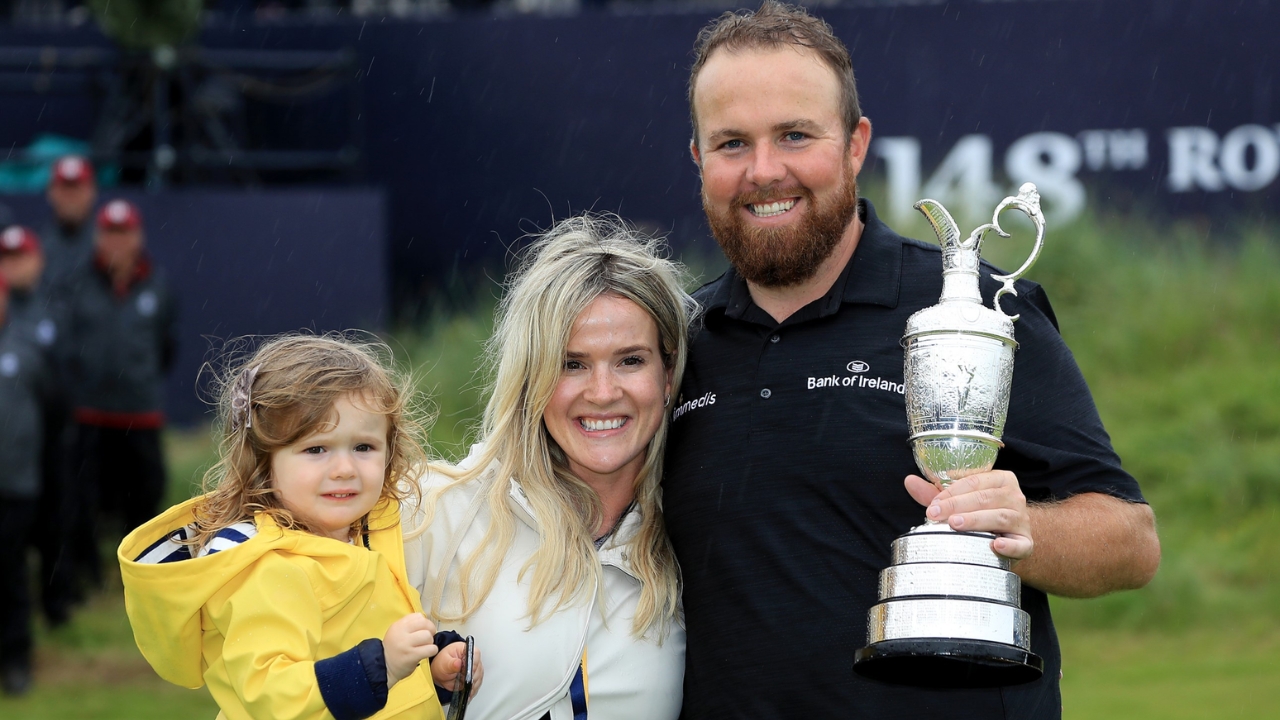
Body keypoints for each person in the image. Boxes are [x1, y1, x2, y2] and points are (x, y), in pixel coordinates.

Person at [662, 3, 1162, 718]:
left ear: (856, 144)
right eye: (732, 143)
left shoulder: (977, 312)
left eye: (795, 135)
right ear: (698, 159)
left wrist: (1025, 529)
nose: (763, 170)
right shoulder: (673, 343)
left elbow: (1131, 542)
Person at [404, 213, 692, 720]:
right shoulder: (432, 513)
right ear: (531, 375)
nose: (603, 393)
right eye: (571, 363)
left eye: (630, 360)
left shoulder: (699, 531)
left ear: (668, 373)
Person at [118, 333, 476, 719]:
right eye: (316, 449)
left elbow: (356, 638)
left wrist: (431, 667)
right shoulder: (269, 568)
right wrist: (383, 665)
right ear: (263, 460)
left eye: (363, 447)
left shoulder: (364, 535)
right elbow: (274, 697)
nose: (344, 469)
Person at [66, 199, 179, 588]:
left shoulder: (157, 284)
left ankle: (139, 573)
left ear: (138, 236)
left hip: (140, 413)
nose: (116, 242)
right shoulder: (78, 282)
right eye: (109, 233)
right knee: (84, 497)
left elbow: (166, 347)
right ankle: (89, 575)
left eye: (124, 232)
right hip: (90, 413)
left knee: (145, 495)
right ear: (98, 237)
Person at [0, 224, 77, 626]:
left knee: (54, 518)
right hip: (14, 441)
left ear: (37, 259)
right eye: (5, 258)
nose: (13, 267)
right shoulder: (5, 308)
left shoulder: (56, 307)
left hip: (52, 431)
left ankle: (57, 602)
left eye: (20, 257)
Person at [0, 271, 53, 697]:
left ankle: (16, 660)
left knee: (11, 574)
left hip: (15, 485)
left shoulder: (26, 350)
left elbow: (53, 410)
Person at [41, 155, 98, 307]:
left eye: (77, 188)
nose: (71, 197)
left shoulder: (110, 243)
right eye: (65, 188)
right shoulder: (38, 247)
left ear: (92, 192)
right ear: (51, 193)